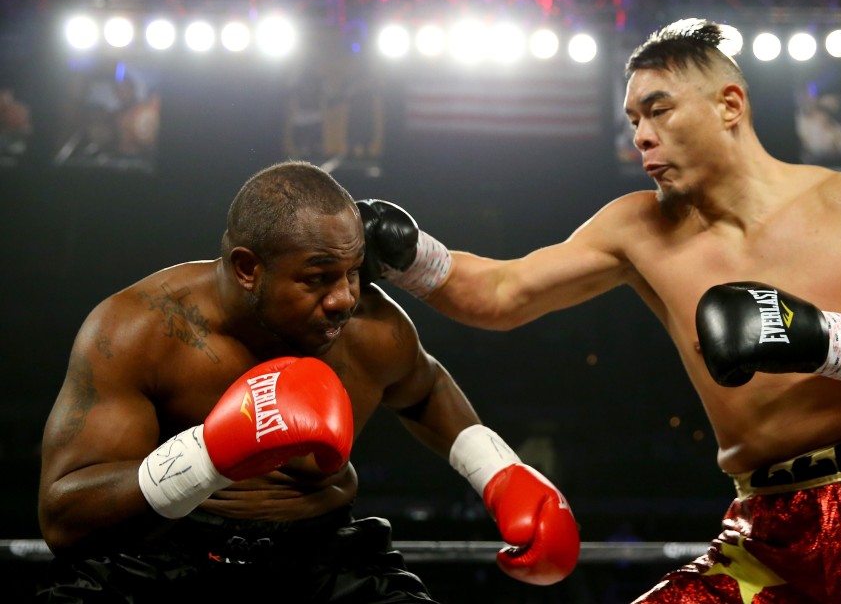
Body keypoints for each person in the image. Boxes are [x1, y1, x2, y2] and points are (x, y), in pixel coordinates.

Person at [358, 18, 841, 602]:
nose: (641, 137)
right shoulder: (638, 228)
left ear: (729, 104)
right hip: (772, 535)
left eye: (659, 111)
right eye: (633, 121)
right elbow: (501, 294)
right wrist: (410, 254)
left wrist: (820, 338)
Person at [36, 160, 580, 603]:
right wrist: (206, 456)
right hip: (163, 556)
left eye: (353, 271)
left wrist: (500, 474)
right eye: (318, 277)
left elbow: (424, 388)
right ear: (247, 268)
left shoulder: (369, 327)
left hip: (325, 560)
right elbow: (63, 518)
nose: (344, 297)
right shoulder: (142, 330)